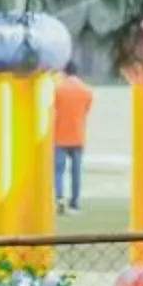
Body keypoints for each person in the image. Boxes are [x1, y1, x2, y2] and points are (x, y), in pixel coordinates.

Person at [52, 63, 92, 213]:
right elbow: (86, 111)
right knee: (76, 172)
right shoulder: (86, 91)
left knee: (58, 171)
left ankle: (60, 199)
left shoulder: (58, 90)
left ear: (64, 72)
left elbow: (53, 110)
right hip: (77, 135)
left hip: (60, 136)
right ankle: (75, 203)